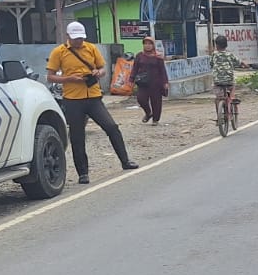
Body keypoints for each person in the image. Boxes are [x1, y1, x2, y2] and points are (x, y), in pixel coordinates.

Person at [47, 21, 139, 185]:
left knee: (111, 127)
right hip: (73, 99)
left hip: (93, 96)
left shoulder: (91, 48)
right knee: (77, 137)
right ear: (68, 37)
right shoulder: (59, 52)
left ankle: (125, 161)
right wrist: (69, 79)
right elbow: (50, 76)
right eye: (75, 39)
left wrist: (98, 73)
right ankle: (83, 173)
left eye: (81, 38)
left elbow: (102, 69)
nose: (78, 41)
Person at [132, 36, 169, 125]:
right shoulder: (139, 56)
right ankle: (148, 113)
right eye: (146, 44)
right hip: (143, 83)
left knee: (156, 102)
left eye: (150, 44)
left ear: (153, 45)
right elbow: (135, 68)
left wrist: (165, 82)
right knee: (141, 99)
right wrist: (131, 79)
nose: (148, 46)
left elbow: (162, 70)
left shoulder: (158, 57)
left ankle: (155, 119)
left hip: (156, 82)